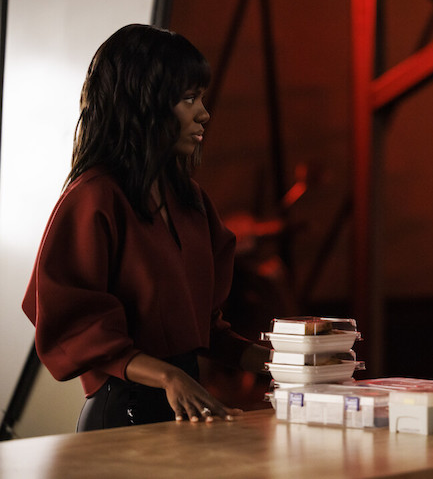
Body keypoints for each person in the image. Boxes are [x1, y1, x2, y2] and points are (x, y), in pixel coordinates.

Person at [22, 24, 272, 431]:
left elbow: (204, 331)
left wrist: (285, 363)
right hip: (121, 415)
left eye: (201, 98)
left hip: (184, 410)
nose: (204, 113)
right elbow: (74, 325)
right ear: (143, 103)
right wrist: (169, 376)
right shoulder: (94, 198)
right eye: (188, 99)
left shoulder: (191, 201)